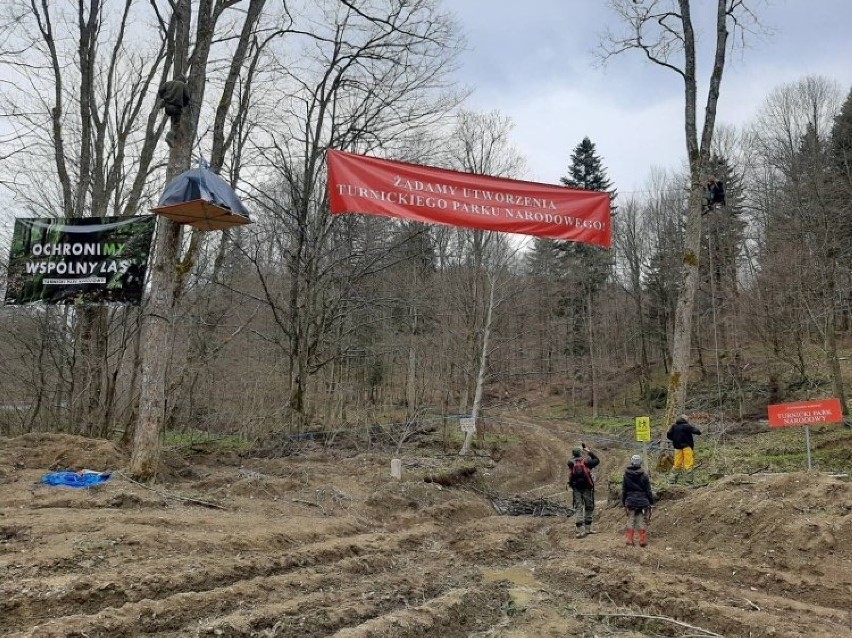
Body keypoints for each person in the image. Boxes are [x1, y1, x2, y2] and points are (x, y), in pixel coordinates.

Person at [567, 443, 600, 538]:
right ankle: (588, 529)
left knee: (578, 507)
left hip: (576, 488)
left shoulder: (570, 462)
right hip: (587, 488)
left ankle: (579, 530)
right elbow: (597, 460)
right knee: (589, 507)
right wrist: (588, 451)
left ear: (573, 454)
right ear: (581, 452)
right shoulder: (586, 462)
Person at [622, 454, 655, 547]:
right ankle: (642, 540)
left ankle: (630, 540)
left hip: (630, 501)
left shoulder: (626, 475)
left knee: (631, 519)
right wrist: (651, 502)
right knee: (641, 519)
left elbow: (624, 490)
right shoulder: (644, 475)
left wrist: (624, 501)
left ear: (631, 462)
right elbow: (648, 490)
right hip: (642, 501)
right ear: (640, 463)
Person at [666, 414, 702, 484]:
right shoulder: (687, 426)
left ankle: (671, 481)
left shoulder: (674, 426)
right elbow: (697, 432)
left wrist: (674, 439)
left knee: (677, 464)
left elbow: (668, 434)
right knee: (688, 464)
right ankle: (688, 482)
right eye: (687, 419)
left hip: (677, 447)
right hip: (687, 447)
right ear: (685, 419)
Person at [158, 74, 191, 147]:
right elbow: (187, 97)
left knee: (173, 119)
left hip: (167, 107)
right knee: (176, 124)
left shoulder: (168, 83)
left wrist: (165, 97)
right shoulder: (183, 85)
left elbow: (160, 91)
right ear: (184, 81)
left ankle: (173, 138)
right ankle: (169, 137)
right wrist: (184, 104)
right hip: (176, 108)